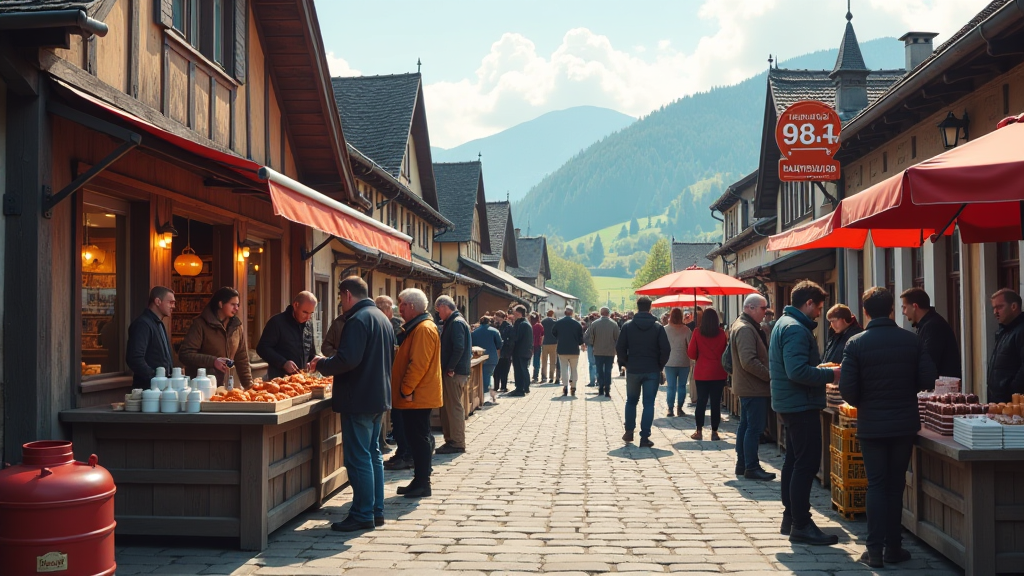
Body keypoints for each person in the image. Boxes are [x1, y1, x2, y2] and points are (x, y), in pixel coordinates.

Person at [840, 287, 936, 568]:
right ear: (892, 310)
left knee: (877, 486)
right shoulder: (912, 340)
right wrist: (907, 391)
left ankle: (875, 551)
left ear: (866, 312)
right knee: (895, 487)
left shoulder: (855, 344)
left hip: (872, 425)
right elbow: (927, 378)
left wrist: (864, 402)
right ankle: (894, 547)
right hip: (904, 423)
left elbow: (848, 389)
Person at [307, 276, 395, 532]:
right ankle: (375, 510)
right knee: (373, 455)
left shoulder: (357, 320)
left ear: (346, 294)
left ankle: (363, 513)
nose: (341, 303)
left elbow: (348, 360)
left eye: (340, 298)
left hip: (359, 397)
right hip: (377, 396)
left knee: (358, 459)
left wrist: (321, 364)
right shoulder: (381, 317)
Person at [769, 280, 840, 546]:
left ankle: (791, 517)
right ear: (808, 303)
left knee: (794, 460)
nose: (820, 313)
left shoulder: (784, 323)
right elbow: (796, 371)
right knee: (806, 463)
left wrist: (820, 367)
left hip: (791, 402)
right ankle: (801, 523)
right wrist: (831, 373)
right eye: (819, 308)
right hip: (800, 404)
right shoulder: (796, 329)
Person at [390, 288, 443, 499]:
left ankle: (423, 482)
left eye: (402, 304)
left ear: (411, 306)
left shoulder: (422, 329)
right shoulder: (419, 327)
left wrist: (406, 389)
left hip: (416, 396)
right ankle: (419, 480)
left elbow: (418, 364)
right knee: (417, 437)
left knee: (419, 438)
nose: (399, 309)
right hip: (416, 395)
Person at [729, 294, 774, 481]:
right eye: (763, 309)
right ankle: (751, 466)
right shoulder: (745, 328)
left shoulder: (745, 326)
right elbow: (748, 361)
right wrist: (769, 376)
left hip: (748, 386)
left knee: (746, 427)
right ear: (751, 308)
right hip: (753, 387)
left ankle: (743, 464)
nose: (765, 313)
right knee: (753, 428)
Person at [616, 296, 670, 447]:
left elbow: (620, 347)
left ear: (637, 306)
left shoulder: (628, 326)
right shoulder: (657, 327)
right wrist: (659, 365)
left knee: (631, 401)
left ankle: (629, 431)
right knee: (648, 404)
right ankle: (645, 437)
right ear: (650, 307)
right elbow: (666, 349)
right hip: (651, 369)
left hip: (633, 368)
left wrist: (626, 362)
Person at [179, 286, 252, 387]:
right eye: (232, 304)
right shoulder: (200, 324)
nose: (236, 308)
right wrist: (213, 361)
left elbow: (242, 358)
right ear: (221, 304)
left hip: (228, 386)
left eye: (237, 305)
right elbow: (185, 354)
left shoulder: (236, 326)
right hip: (203, 386)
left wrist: (250, 387)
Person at [434, 295, 472, 453]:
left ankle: (456, 442)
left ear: (444, 306)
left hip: (454, 372)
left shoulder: (456, 323)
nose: (438, 314)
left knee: (453, 407)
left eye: (438, 311)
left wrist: (450, 368)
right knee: (449, 407)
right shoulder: (455, 321)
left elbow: (459, 347)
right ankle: (451, 440)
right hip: (455, 371)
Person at [900, 287, 961, 379]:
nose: (903, 312)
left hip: (941, 388)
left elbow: (928, 362)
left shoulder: (933, 326)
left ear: (915, 306)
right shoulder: (928, 325)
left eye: (904, 308)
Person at [687, 308, 728, 441]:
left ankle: (699, 430)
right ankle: (714, 432)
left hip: (702, 372)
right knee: (716, 403)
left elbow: (692, 353)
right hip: (718, 372)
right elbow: (725, 352)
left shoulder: (697, 332)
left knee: (701, 402)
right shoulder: (721, 333)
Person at [256, 291, 318, 380]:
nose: (308, 317)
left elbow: (311, 352)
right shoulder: (277, 322)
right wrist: (283, 363)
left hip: (302, 379)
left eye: (311, 313)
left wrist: (316, 360)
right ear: (296, 305)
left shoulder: (309, 325)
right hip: (279, 380)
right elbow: (262, 348)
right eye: (305, 312)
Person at [126, 286, 176, 389]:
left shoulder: (159, 324)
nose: (173, 306)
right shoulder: (142, 324)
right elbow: (135, 358)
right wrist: (155, 378)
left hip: (160, 388)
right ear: (158, 301)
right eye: (170, 302)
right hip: (147, 391)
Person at [987, 288, 1024, 403]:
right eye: (994, 308)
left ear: (1013, 306)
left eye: (999, 307)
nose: (995, 312)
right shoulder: (1003, 331)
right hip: (998, 401)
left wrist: (1011, 391)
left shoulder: (1021, 331)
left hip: (1013, 403)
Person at [663, 307, 692, 417]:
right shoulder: (686, 330)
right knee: (682, 386)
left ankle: (670, 409)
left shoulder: (665, 329)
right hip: (684, 361)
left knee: (670, 386)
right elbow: (690, 346)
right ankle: (680, 408)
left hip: (669, 361)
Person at [585, 307, 620, 397]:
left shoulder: (594, 324)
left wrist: (592, 346)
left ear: (601, 313)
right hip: (610, 351)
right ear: (608, 314)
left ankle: (600, 388)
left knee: (599, 370)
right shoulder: (614, 324)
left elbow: (591, 337)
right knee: (608, 370)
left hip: (598, 351)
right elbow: (617, 337)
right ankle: (607, 389)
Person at [551, 305, 584, 396]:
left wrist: (559, 338)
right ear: (572, 313)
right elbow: (581, 338)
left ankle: (565, 386)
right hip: (574, 349)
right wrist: (579, 343)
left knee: (564, 368)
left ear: (565, 313)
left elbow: (553, 332)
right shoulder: (577, 324)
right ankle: (573, 386)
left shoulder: (559, 323)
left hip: (562, 348)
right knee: (574, 369)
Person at [473, 316, 503, 404]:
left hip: (477, 357)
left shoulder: (474, 332)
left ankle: (484, 396)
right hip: (491, 357)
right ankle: (487, 397)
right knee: (488, 376)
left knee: (481, 377)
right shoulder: (494, 331)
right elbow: (499, 344)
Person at [506, 305, 535, 397]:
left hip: (520, 351)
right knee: (523, 369)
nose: (513, 315)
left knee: (520, 370)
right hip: (524, 351)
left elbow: (515, 337)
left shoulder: (522, 324)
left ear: (518, 313)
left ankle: (520, 388)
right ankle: (524, 387)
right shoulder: (525, 323)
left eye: (514, 313)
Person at [493, 310, 514, 393]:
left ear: (501, 317)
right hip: (497, 351)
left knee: (504, 370)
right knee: (496, 370)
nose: (495, 319)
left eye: (497, 317)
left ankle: (503, 386)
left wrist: (509, 349)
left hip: (506, 352)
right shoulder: (495, 327)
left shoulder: (508, 327)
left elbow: (511, 340)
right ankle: (496, 386)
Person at [540, 310, 558, 383]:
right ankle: (551, 377)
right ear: (552, 314)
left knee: (544, 361)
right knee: (552, 361)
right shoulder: (555, 322)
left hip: (545, 343)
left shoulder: (543, 322)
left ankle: (544, 377)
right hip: (554, 343)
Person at [530, 312, 544, 382]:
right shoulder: (540, 325)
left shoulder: (529, 325)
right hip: (537, 344)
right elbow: (542, 334)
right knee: (536, 360)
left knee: (527, 360)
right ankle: (535, 376)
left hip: (529, 344)